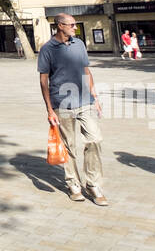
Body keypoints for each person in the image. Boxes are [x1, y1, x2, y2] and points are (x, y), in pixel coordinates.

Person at [39, 13, 107, 205]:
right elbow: (44, 80)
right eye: (71, 24)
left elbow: (86, 70)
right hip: (62, 103)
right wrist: (50, 110)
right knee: (69, 146)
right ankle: (73, 183)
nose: (75, 27)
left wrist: (95, 96)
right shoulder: (48, 49)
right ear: (60, 26)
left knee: (95, 139)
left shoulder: (79, 44)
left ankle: (93, 184)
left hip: (85, 101)